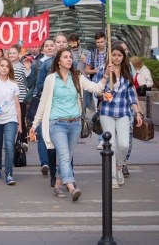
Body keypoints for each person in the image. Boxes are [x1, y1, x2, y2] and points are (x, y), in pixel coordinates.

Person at [29, 48, 112, 200]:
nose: (69, 59)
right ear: (58, 61)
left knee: (66, 157)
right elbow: (43, 103)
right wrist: (35, 125)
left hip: (75, 124)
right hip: (56, 124)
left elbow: (96, 88)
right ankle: (72, 187)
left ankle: (57, 186)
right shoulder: (51, 79)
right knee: (65, 155)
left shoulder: (77, 76)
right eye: (65, 57)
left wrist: (106, 76)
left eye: (70, 57)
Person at [94, 44, 143, 189]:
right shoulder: (104, 70)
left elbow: (132, 95)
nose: (116, 57)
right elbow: (96, 91)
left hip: (123, 112)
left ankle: (119, 166)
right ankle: (113, 176)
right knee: (112, 144)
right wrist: (103, 91)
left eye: (119, 55)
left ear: (123, 57)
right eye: (114, 54)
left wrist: (138, 112)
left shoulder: (127, 71)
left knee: (124, 144)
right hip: (107, 112)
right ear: (110, 55)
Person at [26, 37, 59, 184]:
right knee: (40, 131)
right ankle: (44, 163)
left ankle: (55, 164)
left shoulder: (61, 61)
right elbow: (35, 84)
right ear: (43, 48)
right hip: (42, 101)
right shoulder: (38, 64)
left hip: (57, 103)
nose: (50, 47)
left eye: (52, 45)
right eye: (47, 46)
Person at [0, 57, 22, 185]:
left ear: (9, 69)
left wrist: (20, 124)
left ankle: (9, 173)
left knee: (9, 145)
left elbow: (17, 105)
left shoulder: (14, 84)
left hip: (11, 118)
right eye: (2, 65)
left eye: (7, 66)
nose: (4, 68)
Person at [85, 31, 108, 149]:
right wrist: (96, 71)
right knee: (99, 111)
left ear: (105, 40)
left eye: (102, 42)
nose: (100, 44)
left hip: (109, 85)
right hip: (97, 85)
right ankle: (101, 138)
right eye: (98, 42)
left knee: (108, 112)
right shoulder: (92, 54)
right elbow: (87, 70)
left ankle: (108, 137)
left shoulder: (110, 53)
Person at [8, 44, 30, 152]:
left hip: (20, 97)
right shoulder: (5, 66)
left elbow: (26, 80)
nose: (12, 55)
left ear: (19, 55)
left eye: (14, 53)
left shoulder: (22, 67)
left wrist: (27, 70)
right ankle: (11, 141)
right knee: (11, 120)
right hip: (8, 98)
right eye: (10, 53)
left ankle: (24, 141)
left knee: (21, 119)